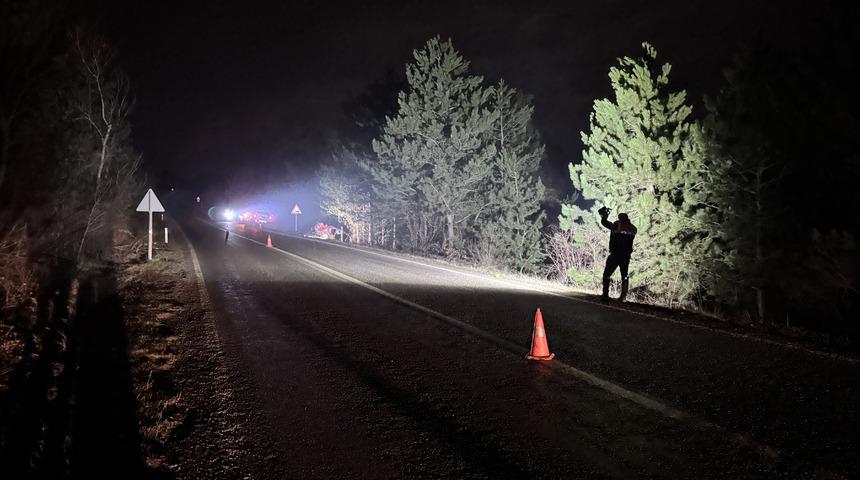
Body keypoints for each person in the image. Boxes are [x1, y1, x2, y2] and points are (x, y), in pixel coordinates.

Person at [599, 207, 637, 302]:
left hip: (615, 254)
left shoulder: (617, 225)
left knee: (607, 274)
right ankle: (623, 297)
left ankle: (605, 295)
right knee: (625, 275)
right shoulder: (633, 228)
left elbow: (604, 223)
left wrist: (604, 215)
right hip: (626, 256)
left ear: (620, 218)